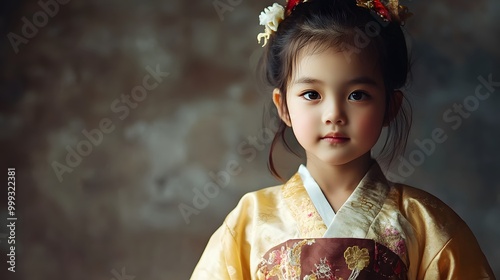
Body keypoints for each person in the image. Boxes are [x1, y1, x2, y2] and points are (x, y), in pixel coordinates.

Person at [191, 0, 495, 279]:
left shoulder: (426, 223)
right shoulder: (251, 221)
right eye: (312, 95)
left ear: (391, 106)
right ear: (283, 106)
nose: (334, 114)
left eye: (357, 95)